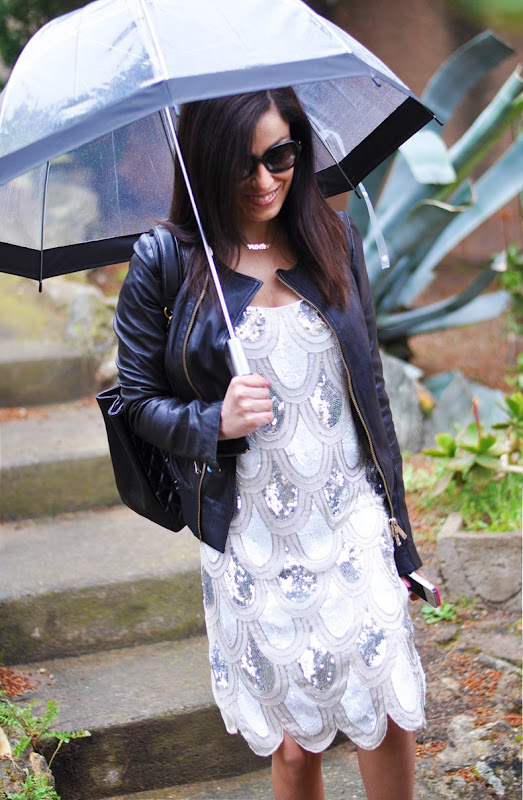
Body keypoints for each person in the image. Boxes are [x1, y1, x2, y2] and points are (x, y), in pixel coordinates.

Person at [114, 88, 426, 800]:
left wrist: (400, 536)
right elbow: (136, 402)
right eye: (242, 164)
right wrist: (214, 421)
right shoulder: (166, 260)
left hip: (348, 519)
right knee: (293, 747)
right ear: (203, 161)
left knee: (387, 709)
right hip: (253, 537)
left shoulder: (333, 238)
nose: (264, 180)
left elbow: (371, 395)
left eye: (280, 156)